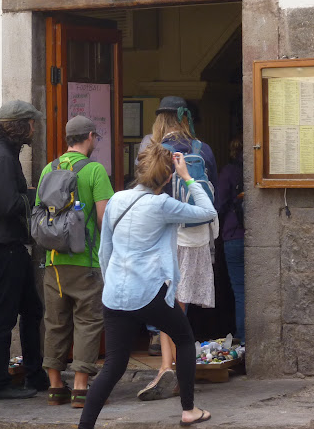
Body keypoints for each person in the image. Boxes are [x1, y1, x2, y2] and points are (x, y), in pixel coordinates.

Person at [78, 143, 215, 429]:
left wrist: (110, 283)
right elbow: (207, 211)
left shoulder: (116, 200)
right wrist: (188, 178)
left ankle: (85, 426)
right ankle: (188, 410)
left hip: (115, 294)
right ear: (168, 178)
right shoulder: (162, 204)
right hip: (147, 292)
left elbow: (105, 251)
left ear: (139, 170)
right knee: (184, 339)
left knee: (113, 366)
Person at [137, 96, 218, 401]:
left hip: (164, 234)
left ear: (160, 120)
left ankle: (167, 367)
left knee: (168, 302)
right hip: (195, 237)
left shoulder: (153, 150)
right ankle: (173, 367)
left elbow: (144, 191)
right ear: (185, 119)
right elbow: (213, 193)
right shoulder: (202, 149)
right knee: (179, 305)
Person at [36, 116, 113, 408]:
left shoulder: (48, 169)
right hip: (86, 261)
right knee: (88, 322)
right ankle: (81, 388)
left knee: (55, 322)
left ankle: (55, 387)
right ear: (90, 136)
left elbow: (40, 213)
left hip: (54, 261)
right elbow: (105, 218)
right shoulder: (95, 170)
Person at [0, 99, 49, 400]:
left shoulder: (1, 153)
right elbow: (8, 204)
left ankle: (35, 373)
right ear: (20, 126)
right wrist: (36, 198)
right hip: (5, 246)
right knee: (6, 316)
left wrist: (26, 194)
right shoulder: (3, 157)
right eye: (31, 123)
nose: (34, 129)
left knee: (31, 310)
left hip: (8, 245)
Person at [215, 137, 245, 344]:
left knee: (240, 290)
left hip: (233, 235)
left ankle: (243, 338)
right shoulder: (259, 169)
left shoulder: (228, 172)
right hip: (252, 234)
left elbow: (218, 205)